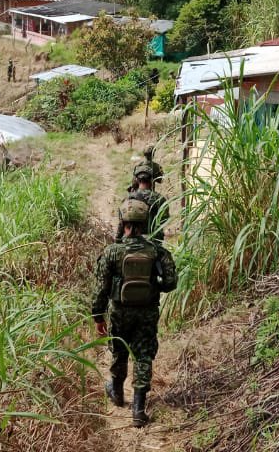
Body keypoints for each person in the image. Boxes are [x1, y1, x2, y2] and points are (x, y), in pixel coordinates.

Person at [92, 199, 178, 428]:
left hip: (119, 312)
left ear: (124, 223)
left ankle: (117, 393)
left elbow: (101, 288)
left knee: (119, 352)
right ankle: (139, 409)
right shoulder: (158, 252)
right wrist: (153, 283)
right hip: (147, 313)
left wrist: (97, 316)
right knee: (143, 355)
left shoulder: (112, 253)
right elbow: (170, 283)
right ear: (145, 223)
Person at [117, 166, 168, 242]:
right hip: (154, 240)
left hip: (131, 239)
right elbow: (164, 220)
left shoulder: (128, 198)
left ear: (137, 180)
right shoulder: (160, 199)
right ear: (151, 180)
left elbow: (122, 221)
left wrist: (118, 239)